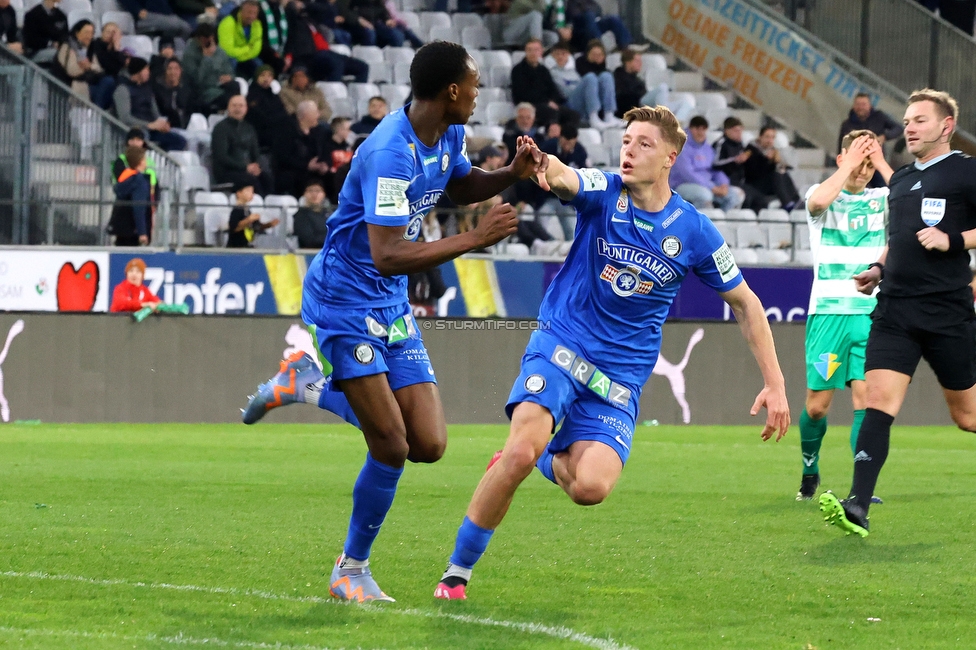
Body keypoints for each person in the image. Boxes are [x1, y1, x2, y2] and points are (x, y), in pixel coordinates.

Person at [434, 105, 790, 601]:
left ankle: (542, 461)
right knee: (518, 450)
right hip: (562, 344)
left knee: (590, 488)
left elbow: (747, 304)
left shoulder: (694, 231)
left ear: (669, 157)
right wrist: (544, 164)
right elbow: (565, 178)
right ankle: (457, 574)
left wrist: (775, 383)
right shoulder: (604, 192)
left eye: (643, 144)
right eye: (626, 141)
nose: (629, 150)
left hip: (618, 378)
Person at [239, 40, 547, 603]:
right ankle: (349, 571)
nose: (480, 94)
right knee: (390, 445)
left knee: (428, 443)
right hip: (344, 301)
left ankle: (305, 383)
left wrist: (511, 175)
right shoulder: (389, 153)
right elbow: (384, 253)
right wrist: (473, 239)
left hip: (389, 303)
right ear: (452, 90)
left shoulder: (447, 134)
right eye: (475, 85)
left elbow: (459, 185)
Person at [818, 89, 976, 538]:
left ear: (946, 127)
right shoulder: (903, 179)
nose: (909, 127)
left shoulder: (966, 171)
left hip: (947, 312)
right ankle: (858, 504)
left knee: (967, 417)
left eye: (920, 120)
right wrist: (879, 268)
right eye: (907, 120)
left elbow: (949, 237)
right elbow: (902, 237)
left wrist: (955, 240)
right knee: (875, 402)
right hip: (894, 310)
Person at [796, 130, 892, 502]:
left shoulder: (881, 199)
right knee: (817, 407)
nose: (864, 170)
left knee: (866, 403)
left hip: (870, 315)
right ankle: (809, 470)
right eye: (858, 161)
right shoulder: (822, 195)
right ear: (841, 159)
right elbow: (818, 202)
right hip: (829, 315)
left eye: (870, 163)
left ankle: (860, 490)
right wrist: (851, 161)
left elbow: (907, 200)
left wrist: (881, 161)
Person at [670, 115, 744, 211]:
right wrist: (712, 187)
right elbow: (688, 174)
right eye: (697, 129)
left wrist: (723, 184)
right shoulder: (681, 148)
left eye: (703, 129)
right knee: (705, 195)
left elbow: (715, 169)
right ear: (691, 129)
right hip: (682, 184)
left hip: (708, 184)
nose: (700, 133)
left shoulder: (707, 148)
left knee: (734, 195)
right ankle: (700, 224)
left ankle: (721, 223)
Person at [113, 57, 188, 152]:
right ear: (139, 71)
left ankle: (161, 163)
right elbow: (125, 118)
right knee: (143, 137)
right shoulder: (123, 89)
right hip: (135, 130)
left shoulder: (148, 89)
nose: (149, 72)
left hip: (152, 129)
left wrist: (162, 124)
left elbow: (155, 113)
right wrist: (148, 125)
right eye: (146, 69)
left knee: (180, 141)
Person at [211, 94, 272, 195]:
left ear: (246, 108)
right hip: (227, 172)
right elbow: (221, 156)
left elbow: (255, 153)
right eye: (234, 106)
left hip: (246, 170)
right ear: (228, 108)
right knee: (251, 181)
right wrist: (245, 167)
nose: (237, 109)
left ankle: (268, 208)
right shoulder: (220, 128)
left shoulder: (249, 128)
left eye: (241, 106)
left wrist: (256, 166)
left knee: (267, 178)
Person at [510, 38, 576, 129]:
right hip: (528, 105)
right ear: (526, 51)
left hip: (545, 103)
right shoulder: (518, 70)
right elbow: (522, 94)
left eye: (536, 50)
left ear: (541, 51)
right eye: (530, 50)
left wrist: (556, 101)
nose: (533, 53)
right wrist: (547, 101)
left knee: (573, 114)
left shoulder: (543, 70)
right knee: (551, 112)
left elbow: (552, 89)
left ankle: (566, 137)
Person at [537, 122, 586, 239]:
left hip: (566, 198)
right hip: (546, 196)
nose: (568, 145)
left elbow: (583, 174)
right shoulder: (547, 148)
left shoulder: (579, 152)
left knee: (572, 229)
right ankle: (546, 246)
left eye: (571, 143)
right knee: (541, 224)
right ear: (560, 138)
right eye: (565, 142)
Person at [53, 20, 115, 110]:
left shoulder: (89, 48)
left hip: (88, 82)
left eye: (91, 33)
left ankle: (97, 111)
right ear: (77, 33)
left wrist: (89, 66)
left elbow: (98, 68)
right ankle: (97, 112)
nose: (89, 36)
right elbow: (72, 70)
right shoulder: (68, 46)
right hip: (72, 86)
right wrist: (86, 67)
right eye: (86, 32)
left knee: (109, 81)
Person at [272, 99, 330, 196]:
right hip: (292, 171)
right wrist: (306, 165)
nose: (318, 116)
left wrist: (325, 164)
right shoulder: (286, 130)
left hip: (314, 171)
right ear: (305, 115)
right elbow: (283, 157)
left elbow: (324, 151)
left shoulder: (319, 131)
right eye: (315, 113)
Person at [182, 22, 239, 116]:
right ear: (198, 39)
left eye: (210, 39)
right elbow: (196, 80)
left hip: (221, 86)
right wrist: (206, 58)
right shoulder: (189, 54)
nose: (208, 42)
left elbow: (230, 71)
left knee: (235, 86)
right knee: (230, 99)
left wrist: (229, 77)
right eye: (205, 40)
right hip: (203, 91)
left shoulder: (219, 52)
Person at [743, 127, 800, 212]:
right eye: (767, 137)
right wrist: (767, 161)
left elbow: (789, 166)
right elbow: (754, 171)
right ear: (760, 137)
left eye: (772, 137)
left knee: (783, 173)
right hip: (755, 184)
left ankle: (796, 200)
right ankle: (787, 202)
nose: (770, 140)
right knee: (776, 174)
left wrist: (777, 162)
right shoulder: (751, 150)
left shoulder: (773, 150)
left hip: (769, 184)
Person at [108, 145, 153, 246]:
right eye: (145, 159)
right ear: (141, 161)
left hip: (121, 228)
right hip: (134, 231)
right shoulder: (140, 181)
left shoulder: (124, 178)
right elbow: (138, 206)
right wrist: (142, 232)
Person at [572, 39, 621, 129]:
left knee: (607, 76)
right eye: (594, 54)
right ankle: (593, 116)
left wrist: (599, 64)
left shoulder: (603, 68)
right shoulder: (580, 61)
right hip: (576, 99)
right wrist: (594, 63)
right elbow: (587, 75)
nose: (596, 57)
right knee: (591, 78)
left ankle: (609, 114)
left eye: (599, 55)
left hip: (594, 99)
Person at [838, 92, 904, 153]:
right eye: (858, 104)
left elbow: (899, 128)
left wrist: (885, 136)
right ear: (853, 106)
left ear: (870, 105)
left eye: (863, 104)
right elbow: (841, 148)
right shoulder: (846, 125)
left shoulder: (879, 117)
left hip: (876, 160)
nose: (860, 107)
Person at [246, 63, 291, 151]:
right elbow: (258, 116)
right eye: (263, 75)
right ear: (257, 77)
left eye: (269, 76)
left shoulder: (273, 95)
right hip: (260, 133)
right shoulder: (252, 95)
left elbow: (283, 111)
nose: (266, 79)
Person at [218, 0, 263, 80]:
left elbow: (256, 49)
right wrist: (248, 48)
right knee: (232, 62)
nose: (251, 16)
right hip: (230, 59)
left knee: (261, 68)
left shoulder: (257, 24)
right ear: (241, 11)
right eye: (249, 12)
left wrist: (245, 55)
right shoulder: (227, 23)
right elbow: (227, 51)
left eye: (254, 13)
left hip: (245, 57)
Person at [227, 179, 280, 247]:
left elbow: (256, 227)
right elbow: (234, 228)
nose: (251, 193)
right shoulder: (237, 210)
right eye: (248, 191)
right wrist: (249, 220)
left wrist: (269, 224)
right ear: (239, 193)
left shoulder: (247, 210)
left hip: (247, 246)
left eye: (252, 191)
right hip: (236, 247)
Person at [320, 116, 354, 203]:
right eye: (347, 129)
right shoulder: (326, 146)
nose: (349, 132)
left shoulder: (348, 147)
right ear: (339, 130)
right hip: (331, 184)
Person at [117, 0, 192, 38]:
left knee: (187, 28)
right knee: (180, 26)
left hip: (167, 14)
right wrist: (137, 10)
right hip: (145, 17)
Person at [153, 58, 193, 129]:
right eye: (169, 69)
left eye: (176, 69)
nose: (173, 72)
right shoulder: (157, 90)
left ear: (181, 71)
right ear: (165, 71)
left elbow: (190, 109)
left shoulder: (186, 89)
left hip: (185, 125)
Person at [293, 179, 330, 248]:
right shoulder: (301, 216)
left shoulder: (329, 214)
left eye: (318, 191)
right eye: (310, 191)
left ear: (324, 194)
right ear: (304, 194)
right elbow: (308, 240)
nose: (314, 194)